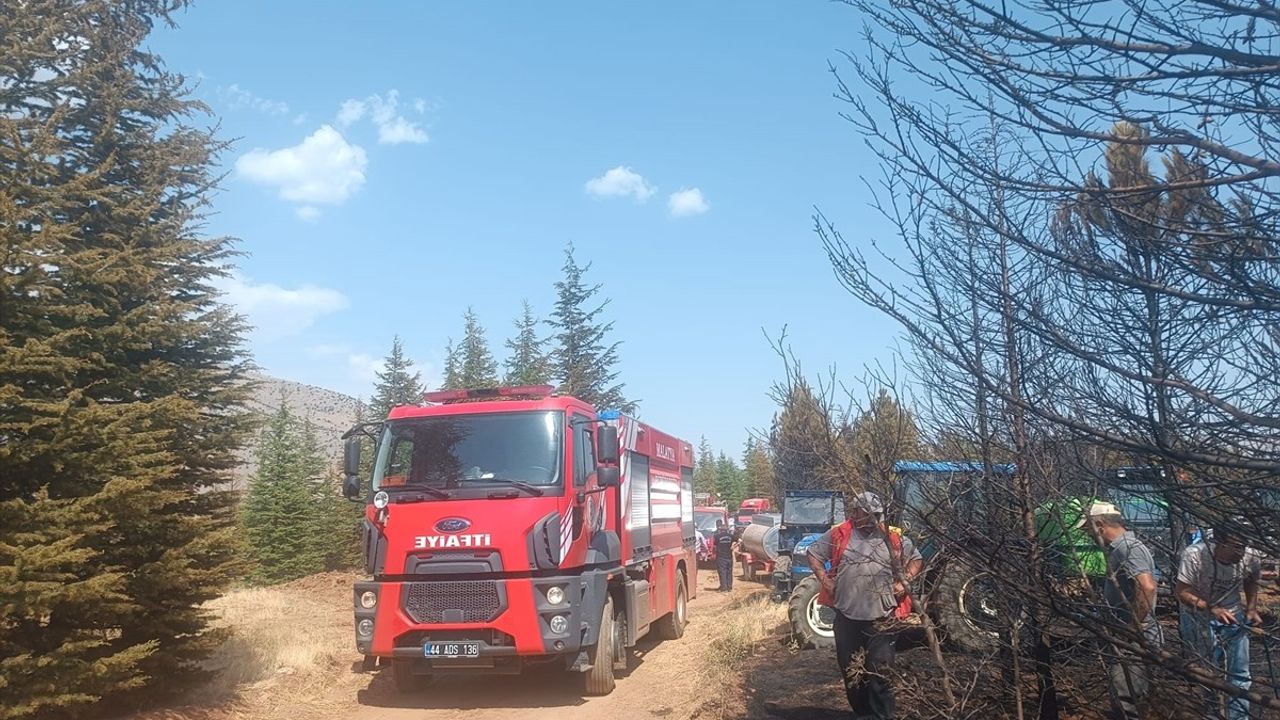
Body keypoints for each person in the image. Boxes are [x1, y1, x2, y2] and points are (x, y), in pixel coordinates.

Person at [807, 491, 922, 720]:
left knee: (881, 672)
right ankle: (863, 713)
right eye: (867, 514)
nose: (873, 519)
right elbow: (813, 553)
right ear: (855, 513)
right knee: (851, 671)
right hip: (847, 616)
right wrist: (825, 580)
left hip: (883, 618)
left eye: (877, 515)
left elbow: (916, 559)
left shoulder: (893, 537)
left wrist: (904, 582)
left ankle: (882, 716)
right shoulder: (839, 534)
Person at [1175, 524, 1263, 720]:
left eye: (1243, 545)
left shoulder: (1251, 554)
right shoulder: (1195, 555)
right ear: (1219, 543)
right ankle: (1214, 714)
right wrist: (1211, 609)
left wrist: (1251, 607)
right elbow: (1182, 592)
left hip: (1233, 614)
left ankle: (1239, 717)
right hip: (1198, 615)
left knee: (1240, 671)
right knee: (1208, 671)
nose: (1241, 551)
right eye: (1236, 546)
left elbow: (1252, 579)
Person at [1085, 501, 1162, 720]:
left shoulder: (1127, 548)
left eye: (1089, 529)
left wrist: (1131, 628)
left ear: (1100, 524)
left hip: (1134, 640)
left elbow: (1147, 587)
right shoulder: (1121, 548)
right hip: (1131, 637)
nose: (1088, 534)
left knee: (1127, 699)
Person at [712, 519, 737, 592]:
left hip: (721, 557)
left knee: (722, 572)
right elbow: (740, 540)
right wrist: (733, 547)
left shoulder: (717, 536)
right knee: (729, 572)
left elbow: (714, 545)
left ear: (720, 530)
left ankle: (724, 587)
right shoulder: (730, 536)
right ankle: (729, 587)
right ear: (726, 530)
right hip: (729, 556)